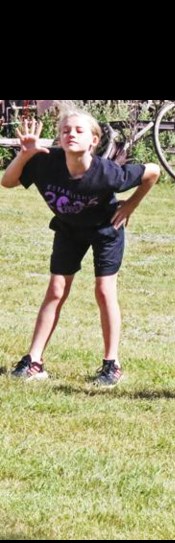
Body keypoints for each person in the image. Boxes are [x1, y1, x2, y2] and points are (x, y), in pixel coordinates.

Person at [1, 109, 160, 386]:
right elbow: (8, 181)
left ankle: (112, 364)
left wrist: (131, 204)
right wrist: (25, 154)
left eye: (78, 130)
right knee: (56, 290)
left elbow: (153, 172)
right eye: (65, 130)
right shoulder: (45, 162)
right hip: (68, 230)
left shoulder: (109, 174)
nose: (70, 134)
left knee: (103, 290)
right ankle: (34, 361)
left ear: (93, 140)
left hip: (105, 230)